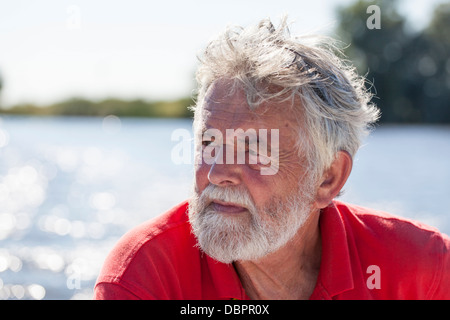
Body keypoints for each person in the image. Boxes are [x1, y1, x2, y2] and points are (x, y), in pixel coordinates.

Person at [94, 17, 450, 300]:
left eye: (254, 149)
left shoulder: (425, 269)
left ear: (328, 177)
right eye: (209, 142)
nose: (218, 173)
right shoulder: (143, 278)